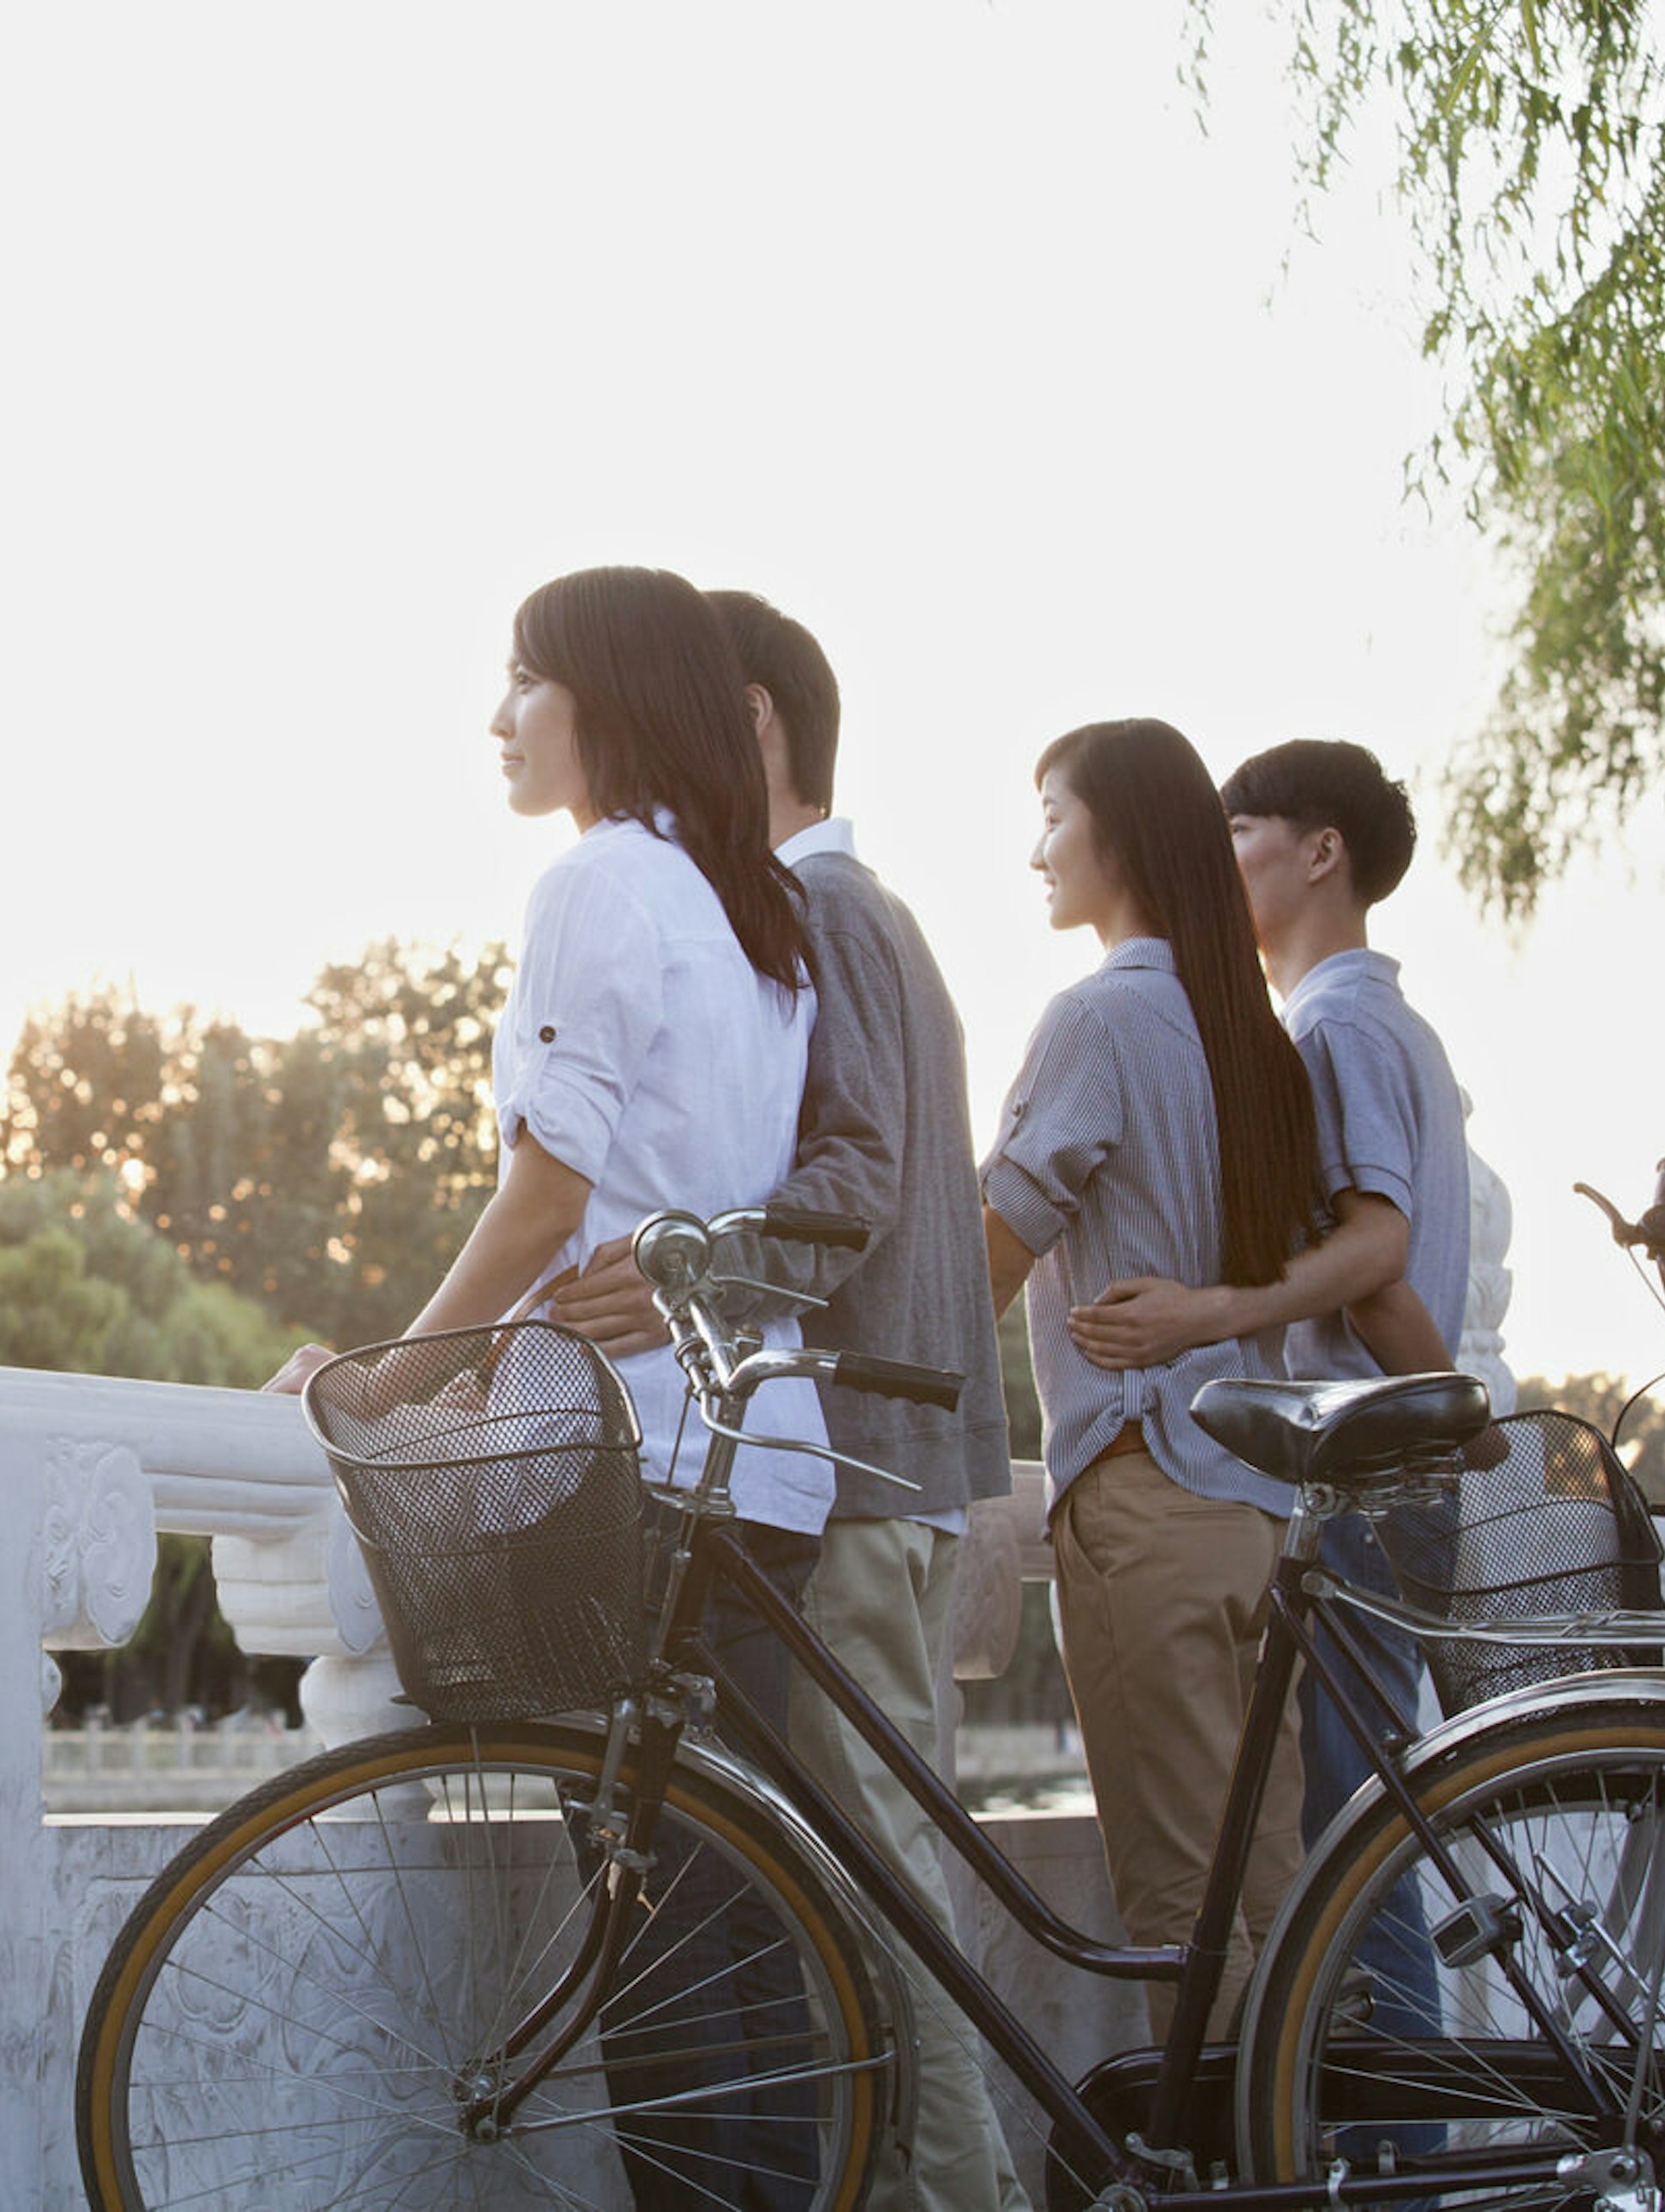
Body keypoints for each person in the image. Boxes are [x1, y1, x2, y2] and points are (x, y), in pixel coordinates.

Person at [269, 564, 828, 2206]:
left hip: (637, 1466)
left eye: (523, 680)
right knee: (741, 1937)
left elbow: (543, 1182)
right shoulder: (756, 917)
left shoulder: (599, 882)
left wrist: (403, 1365)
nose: (499, 718)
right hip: (767, 1453)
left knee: (655, 1949)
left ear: (604, 697)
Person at [556, 588, 1024, 2212]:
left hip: (863, 1478)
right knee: (844, 1913)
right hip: (887, 1472)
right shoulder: (826, 916)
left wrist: (694, 1264)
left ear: (748, 720)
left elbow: (861, 1182)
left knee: (895, 1922)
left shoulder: (824, 911)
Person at [1065, 737, 1466, 2052]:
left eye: (1242, 830)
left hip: (1353, 1471)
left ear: (1320, 851)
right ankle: (1366, 2148)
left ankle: (1394, 2165)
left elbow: (1376, 1256)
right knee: (1341, 1854)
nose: (1219, 857)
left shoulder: (1334, 1024)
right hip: (1393, 1472)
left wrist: (1214, 1313)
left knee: (1347, 1857)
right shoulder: (1393, 1022)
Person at [981, 717, 1320, 2036]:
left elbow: (984, 1260)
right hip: (1253, 1511)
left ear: (1115, 831)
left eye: (1053, 817)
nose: (1037, 852)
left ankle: (1226, 2180)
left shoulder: (1100, 1016)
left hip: (1140, 1491)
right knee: (1282, 1905)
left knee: (1185, 1917)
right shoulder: (1253, 1034)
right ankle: (1304, 2163)